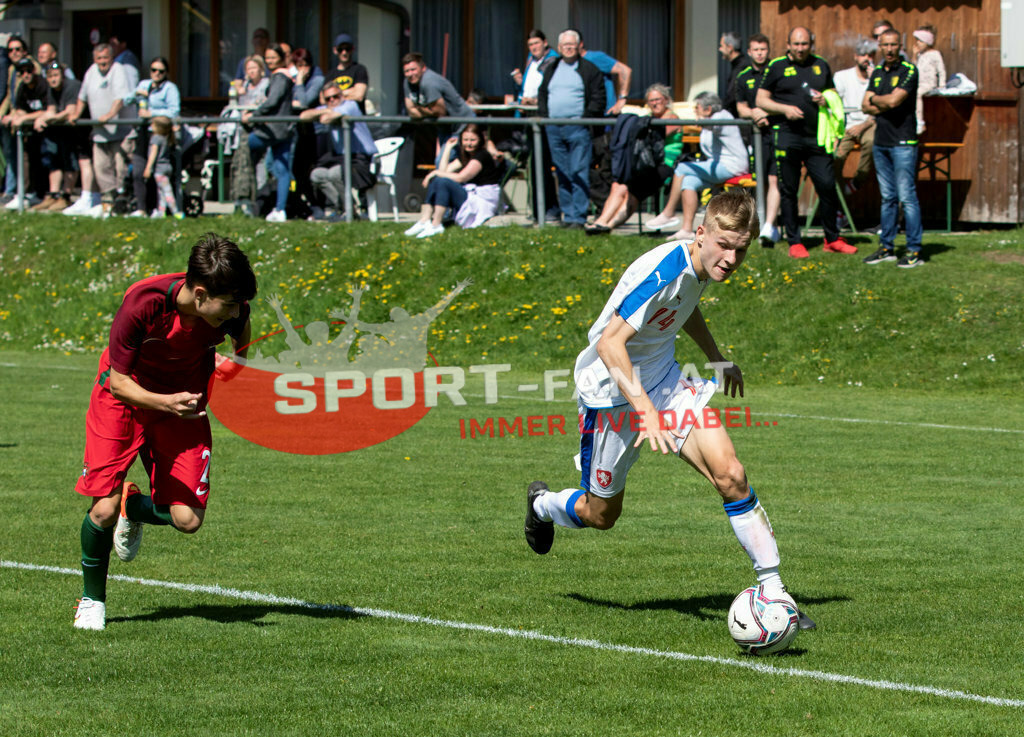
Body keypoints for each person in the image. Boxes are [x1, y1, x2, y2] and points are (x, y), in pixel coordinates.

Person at [523, 190, 815, 631]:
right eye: (724, 244)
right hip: (611, 395)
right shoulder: (664, 270)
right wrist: (645, 411)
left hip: (666, 383)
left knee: (731, 475)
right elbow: (609, 344)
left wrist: (715, 357)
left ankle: (774, 593)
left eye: (742, 249)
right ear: (701, 233)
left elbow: (683, 309)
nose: (732, 258)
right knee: (601, 516)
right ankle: (543, 504)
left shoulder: (700, 269)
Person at [72, 234, 258, 631]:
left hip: (182, 405)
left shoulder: (233, 307)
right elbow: (118, 382)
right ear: (201, 293)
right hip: (122, 398)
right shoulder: (143, 303)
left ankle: (133, 507)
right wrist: (165, 402)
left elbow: (242, 340)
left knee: (188, 519)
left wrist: (234, 363)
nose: (232, 314)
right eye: (226, 307)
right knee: (101, 509)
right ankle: (92, 600)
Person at [757, 27, 855, 258]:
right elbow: (761, 99)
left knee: (827, 185)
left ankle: (832, 238)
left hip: (817, 137)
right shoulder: (777, 66)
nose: (800, 49)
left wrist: (826, 97)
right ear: (788, 44)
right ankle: (795, 241)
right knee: (789, 190)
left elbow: (831, 91)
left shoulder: (821, 64)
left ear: (811, 43)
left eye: (804, 44)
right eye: (796, 44)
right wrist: (785, 109)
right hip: (788, 135)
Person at [647, 92, 749, 241]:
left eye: (697, 107)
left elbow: (711, 125)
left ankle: (668, 213)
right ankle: (687, 229)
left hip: (732, 165)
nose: (695, 110)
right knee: (689, 181)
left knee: (682, 168)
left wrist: (698, 121)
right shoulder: (709, 119)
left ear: (708, 109)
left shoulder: (721, 116)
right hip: (717, 166)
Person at [862, 29, 923, 269]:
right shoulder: (877, 72)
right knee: (887, 197)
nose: (889, 49)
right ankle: (886, 247)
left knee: (907, 197)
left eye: (893, 45)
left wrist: (879, 100)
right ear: (880, 46)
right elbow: (864, 105)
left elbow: (894, 101)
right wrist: (882, 101)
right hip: (882, 142)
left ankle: (914, 250)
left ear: (900, 46)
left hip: (903, 142)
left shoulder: (909, 71)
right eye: (885, 45)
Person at [586, 83, 680, 234]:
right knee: (618, 184)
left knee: (631, 190)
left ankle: (608, 225)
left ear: (666, 99)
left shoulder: (672, 118)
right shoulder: (648, 120)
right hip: (645, 165)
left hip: (665, 166)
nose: (655, 103)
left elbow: (657, 136)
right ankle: (601, 221)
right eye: (651, 100)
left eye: (658, 99)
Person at [537, 30, 605, 229]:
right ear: (559, 48)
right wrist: (545, 116)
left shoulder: (589, 69)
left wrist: (585, 119)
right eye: (565, 45)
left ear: (579, 46)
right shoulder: (551, 68)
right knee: (563, 172)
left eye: (572, 45)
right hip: (553, 129)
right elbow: (542, 94)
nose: (568, 48)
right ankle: (568, 216)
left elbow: (598, 97)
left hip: (578, 128)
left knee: (578, 171)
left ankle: (579, 217)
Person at [65, 43, 137, 218]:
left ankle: (124, 202)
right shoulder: (91, 72)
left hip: (121, 131)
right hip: (100, 132)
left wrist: (110, 114)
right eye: (99, 58)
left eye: (105, 58)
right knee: (100, 167)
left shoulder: (118, 70)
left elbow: (120, 98)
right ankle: (108, 202)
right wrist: (75, 114)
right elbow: (82, 97)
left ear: (111, 58)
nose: (102, 62)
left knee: (121, 168)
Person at [403, 123, 504, 238]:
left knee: (443, 182)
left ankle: (436, 224)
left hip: (481, 201)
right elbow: (443, 171)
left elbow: (462, 177)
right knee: (438, 180)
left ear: (480, 140)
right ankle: (424, 220)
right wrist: (447, 148)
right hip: (470, 196)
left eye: (472, 140)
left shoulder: (482, 156)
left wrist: (435, 173)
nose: (469, 143)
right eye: (465, 140)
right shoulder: (466, 155)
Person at [300, 81, 378, 219]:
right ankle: (344, 207)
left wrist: (324, 113)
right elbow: (303, 116)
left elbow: (332, 117)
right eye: (328, 98)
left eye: (335, 96)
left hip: (361, 157)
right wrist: (324, 110)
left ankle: (350, 210)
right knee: (317, 174)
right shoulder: (327, 107)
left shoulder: (350, 105)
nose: (332, 100)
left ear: (342, 96)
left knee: (335, 173)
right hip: (341, 157)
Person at [733, 33, 781, 247]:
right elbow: (740, 107)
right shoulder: (743, 76)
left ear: (768, 50)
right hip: (755, 136)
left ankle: (771, 225)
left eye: (763, 49)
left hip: (777, 133)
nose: (760, 53)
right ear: (749, 52)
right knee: (758, 180)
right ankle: (761, 224)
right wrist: (754, 113)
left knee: (774, 180)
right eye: (756, 49)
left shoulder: (777, 70)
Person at [242, 43, 295, 223]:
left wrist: (253, 116)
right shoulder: (282, 76)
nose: (270, 61)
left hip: (275, 129)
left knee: (247, 143)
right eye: (268, 57)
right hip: (284, 128)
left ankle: (247, 196)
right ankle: (280, 209)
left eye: (273, 57)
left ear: (281, 58)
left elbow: (273, 101)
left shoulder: (280, 76)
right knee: (281, 168)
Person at [33, 61, 90, 211]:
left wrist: (49, 118)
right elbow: (51, 109)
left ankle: (66, 196)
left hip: (80, 131)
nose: (53, 79)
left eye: (56, 75)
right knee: (54, 159)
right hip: (62, 130)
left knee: (70, 161)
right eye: (50, 76)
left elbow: (70, 111)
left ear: (62, 76)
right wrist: (43, 118)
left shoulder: (72, 86)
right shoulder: (51, 89)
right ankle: (53, 195)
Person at [128, 56, 181, 218]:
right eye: (154, 70)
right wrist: (136, 94)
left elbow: (174, 111)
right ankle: (141, 208)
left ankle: (165, 210)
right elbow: (125, 100)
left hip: (160, 133)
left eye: (161, 71)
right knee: (138, 169)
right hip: (143, 132)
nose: (157, 73)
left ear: (166, 73)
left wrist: (152, 113)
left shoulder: (170, 88)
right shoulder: (144, 84)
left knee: (156, 173)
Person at [403, 52, 476, 155]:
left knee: (446, 161)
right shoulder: (408, 82)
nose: (410, 74)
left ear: (423, 68)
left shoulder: (429, 82)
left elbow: (439, 111)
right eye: (407, 71)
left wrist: (418, 109)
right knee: (443, 163)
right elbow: (410, 111)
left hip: (463, 124)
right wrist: (427, 111)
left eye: (413, 69)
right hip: (444, 128)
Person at [2, 58, 49, 208]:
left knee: (48, 160)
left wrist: (24, 118)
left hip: (49, 130)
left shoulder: (43, 84)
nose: (26, 74)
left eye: (28, 70)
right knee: (26, 159)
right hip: (32, 130)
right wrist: (14, 116)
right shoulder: (22, 87)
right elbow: (21, 109)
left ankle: (47, 194)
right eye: (22, 72)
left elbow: (46, 110)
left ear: (34, 71)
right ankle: (27, 193)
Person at [833, 39, 877, 195]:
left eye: (871, 55)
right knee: (836, 157)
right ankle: (839, 201)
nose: (867, 58)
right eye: (863, 55)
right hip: (846, 125)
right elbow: (834, 104)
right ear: (855, 56)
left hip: (869, 123)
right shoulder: (842, 77)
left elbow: (879, 108)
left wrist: (874, 79)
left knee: (871, 143)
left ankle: (857, 182)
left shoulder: (878, 77)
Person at [577, 32, 632, 116]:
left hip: (605, 114)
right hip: (584, 113)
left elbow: (625, 70)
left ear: (580, 44)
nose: (569, 47)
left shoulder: (594, 57)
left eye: (571, 43)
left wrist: (622, 100)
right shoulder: (569, 64)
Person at [143, 116, 182, 219]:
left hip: (159, 169)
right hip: (168, 167)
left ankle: (176, 212)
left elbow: (153, 154)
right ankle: (161, 212)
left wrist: (148, 167)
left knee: (167, 192)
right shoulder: (168, 137)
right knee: (161, 192)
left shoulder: (156, 138)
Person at [911, 25, 945, 135]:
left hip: (929, 83)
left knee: (918, 94)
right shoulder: (919, 55)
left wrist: (942, 85)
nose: (917, 43)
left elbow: (941, 70)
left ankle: (919, 122)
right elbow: (913, 69)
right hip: (919, 83)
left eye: (920, 41)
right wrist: (914, 56)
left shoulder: (935, 54)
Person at [511, 29, 558, 107]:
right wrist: (520, 83)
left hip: (542, 109)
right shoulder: (530, 59)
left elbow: (555, 90)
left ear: (545, 43)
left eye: (536, 43)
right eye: (530, 45)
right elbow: (527, 87)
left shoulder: (553, 61)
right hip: (525, 109)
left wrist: (536, 101)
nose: (534, 47)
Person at [330, 33, 369, 112]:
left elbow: (359, 96)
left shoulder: (359, 69)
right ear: (335, 50)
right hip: (334, 118)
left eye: (347, 49)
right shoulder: (330, 74)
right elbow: (323, 99)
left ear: (352, 49)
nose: (344, 53)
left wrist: (336, 96)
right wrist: (349, 91)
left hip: (355, 119)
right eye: (340, 49)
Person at [718, 31, 749, 117]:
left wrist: (719, 111)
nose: (720, 49)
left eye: (721, 46)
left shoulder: (741, 67)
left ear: (730, 47)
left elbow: (732, 96)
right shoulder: (738, 65)